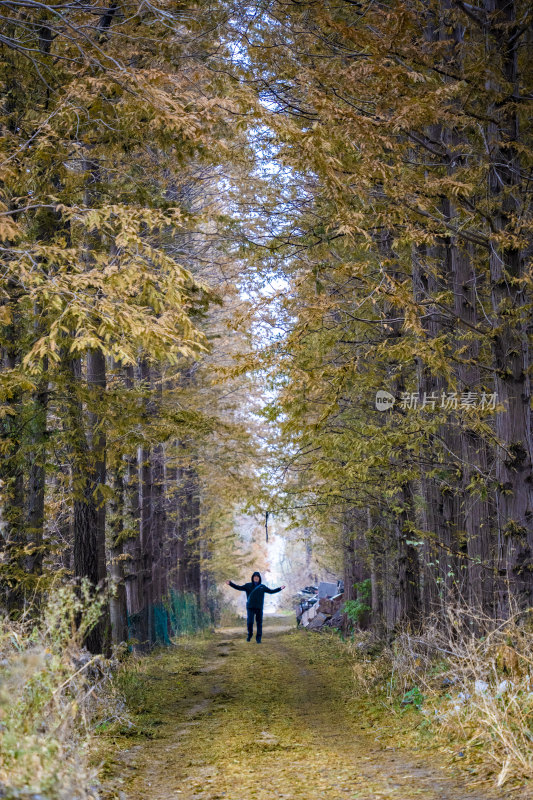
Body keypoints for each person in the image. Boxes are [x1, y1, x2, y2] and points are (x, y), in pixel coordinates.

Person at [227, 571, 286, 642]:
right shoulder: (248, 585)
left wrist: (280, 588)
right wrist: (230, 584)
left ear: (259, 578)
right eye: (254, 577)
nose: (256, 578)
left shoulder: (262, 587)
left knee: (259, 623)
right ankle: (250, 635)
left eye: (257, 577)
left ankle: (258, 639)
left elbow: (271, 591)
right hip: (250, 607)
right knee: (250, 622)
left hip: (259, 608)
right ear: (252, 578)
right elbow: (239, 587)